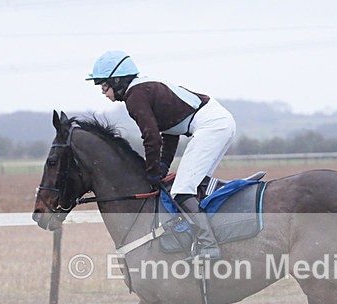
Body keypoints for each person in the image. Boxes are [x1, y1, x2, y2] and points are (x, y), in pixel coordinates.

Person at [86, 50, 236, 259]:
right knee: (193, 186)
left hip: (211, 126)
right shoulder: (144, 89)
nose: (103, 91)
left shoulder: (135, 96)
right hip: (219, 122)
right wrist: (162, 168)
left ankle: (209, 245)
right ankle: (207, 237)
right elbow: (170, 134)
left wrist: (152, 173)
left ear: (118, 80)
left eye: (103, 84)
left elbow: (152, 137)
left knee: (183, 191)